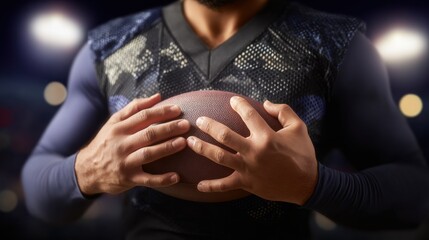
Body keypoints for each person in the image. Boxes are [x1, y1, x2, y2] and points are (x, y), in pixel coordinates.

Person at [22, 0, 429, 239]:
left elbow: (414, 194)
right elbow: (39, 188)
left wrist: (313, 185)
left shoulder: (336, 46)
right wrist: (86, 172)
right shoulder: (110, 46)